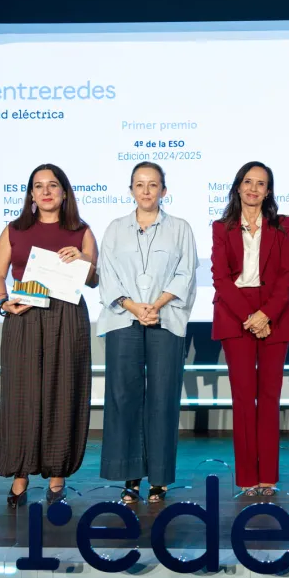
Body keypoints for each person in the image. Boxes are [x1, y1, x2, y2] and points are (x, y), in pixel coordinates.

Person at [0, 164, 98, 507]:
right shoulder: (15, 230)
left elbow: (93, 280)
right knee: (22, 396)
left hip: (67, 318)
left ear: (64, 193)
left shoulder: (81, 231)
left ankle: (56, 477)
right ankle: (20, 473)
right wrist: (1, 302)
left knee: (63, 393)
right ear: (31, 194)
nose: (46, 191)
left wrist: (83, 259)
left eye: (53, 185)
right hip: (24, 317)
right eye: (39, 186)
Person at [98, 161, 198, 504]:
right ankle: (130, 477)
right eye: (139, 184)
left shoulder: (180, 228)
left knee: (162, 398)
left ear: (163, 191)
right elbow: (106, 274)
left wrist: (156, 305)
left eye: (153, 185)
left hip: (165, 318)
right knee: (123, 397)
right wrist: (133, 307)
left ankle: (159, 478)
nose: (145, 190)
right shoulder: (114, 229)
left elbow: (186, 272)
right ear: (130, 190)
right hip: (124, 319)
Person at [211, 161, 289, 496]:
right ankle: (247, 478)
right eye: (248, 182)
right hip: (236, 315)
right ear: (238, 187)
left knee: (268, 398)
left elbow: (287, 275)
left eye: (260, 184)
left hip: (274, 314)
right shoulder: (222, 227)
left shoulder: (282, 225)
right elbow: (220, 278)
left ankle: (269, 477)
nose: (253, 189)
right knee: (242, 398)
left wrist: (265, 314)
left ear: (268, 191)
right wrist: (251, 317)